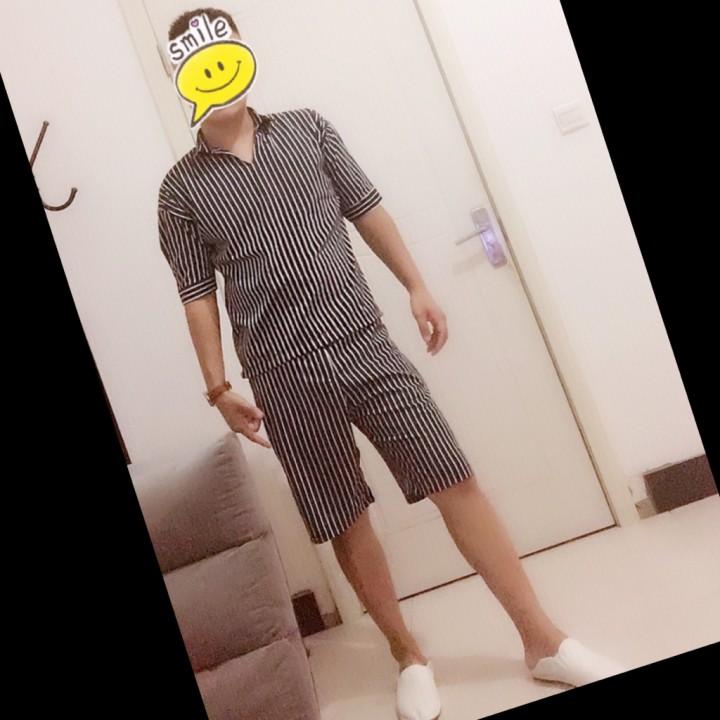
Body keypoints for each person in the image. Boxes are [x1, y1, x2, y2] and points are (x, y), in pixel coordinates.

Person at [158, 9, 626, 719]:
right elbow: (197, 295)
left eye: (224, 50)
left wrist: (416, 284)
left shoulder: (310, 128)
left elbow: (367, 210)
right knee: (345, 516)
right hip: (282, 373)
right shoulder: (180, 190)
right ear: (181, 76)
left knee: (454, 479)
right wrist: (217, 386)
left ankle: (543, 640)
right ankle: (408, 655)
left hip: (365, 342)